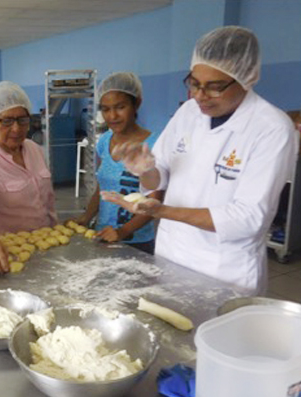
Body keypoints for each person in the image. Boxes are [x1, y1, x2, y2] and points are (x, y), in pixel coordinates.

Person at [104, 26, 298, 294]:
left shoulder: (271, 128)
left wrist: (162, 211)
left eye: (214, 87)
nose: (199, 95)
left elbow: (248, 218)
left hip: (224, 268)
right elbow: (160, 173)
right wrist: (145, 170)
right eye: (194, 83)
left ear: (246, 79)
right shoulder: (188, 114)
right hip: (172, 253)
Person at [0, 81, 57, 273]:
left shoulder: (34, 149)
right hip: (9, 252)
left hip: (47, 242)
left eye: (22, 120)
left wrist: (56, 228)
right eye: (7, 121)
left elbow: (47, 198)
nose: (16, 129)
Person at [69, 72, 162, 254]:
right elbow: (102, 188)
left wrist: (122, 231)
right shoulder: (104, 141)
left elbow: (155, 201)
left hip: (137, 241)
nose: (112, 116)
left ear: (136, 104)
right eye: (105, 109)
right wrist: (87, 217)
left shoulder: (154, 144)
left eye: (120, 107)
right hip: (102, 234)